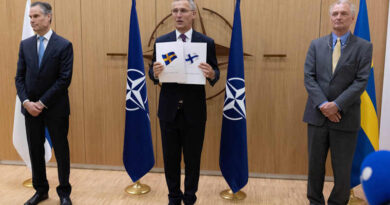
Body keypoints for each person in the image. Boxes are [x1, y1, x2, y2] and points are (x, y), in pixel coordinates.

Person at [149, 0, 219, 204]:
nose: (178, 15)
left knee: (192, 160)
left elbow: (215, 73)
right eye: (174, 11)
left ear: (193, 14)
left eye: (183, 11)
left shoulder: (206, 42)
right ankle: (173, 197)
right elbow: (153, 73)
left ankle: (190, 198)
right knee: (170, 160)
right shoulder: (162, 41)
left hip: (194, 112)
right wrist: (154, 73)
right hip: (168, 111)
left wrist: (212, 72)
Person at [303, 0, 372, 204]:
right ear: (330, 17)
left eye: (343, 13)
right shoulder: (316, 45)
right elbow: (309, 77)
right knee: (315, 167)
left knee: (342, 171)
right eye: (335, 14)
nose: (338, 17)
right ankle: (314, 201)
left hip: (345, 117)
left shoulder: (364, 47)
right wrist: (325, 105)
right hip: (317, 116)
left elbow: (361, 81)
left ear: (352, 18)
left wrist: (337, 105)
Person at [15, 2, 73, 205]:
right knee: (35, 151)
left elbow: (64, 79)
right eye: (30, 17)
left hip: (55, 109)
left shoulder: (64, 45)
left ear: (48, 17)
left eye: (36, 16)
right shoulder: (26, 45)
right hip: (30, 110)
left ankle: (64, 192)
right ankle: (40, 190)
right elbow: (19, 78)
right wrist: (26, 102)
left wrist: (41, 102)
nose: (32, 20)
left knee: (61, 150)